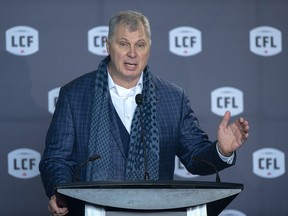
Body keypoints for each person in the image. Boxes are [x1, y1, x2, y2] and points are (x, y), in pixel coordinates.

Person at [39, 10, 249, 216]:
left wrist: (222, 150)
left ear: (148, 48)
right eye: (124, 44)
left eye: (140, 45)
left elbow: (195, 157)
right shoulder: (74, 95)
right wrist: (61, 192)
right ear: (108, 45)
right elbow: (57, 159)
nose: (132, 53)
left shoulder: (173, 98)